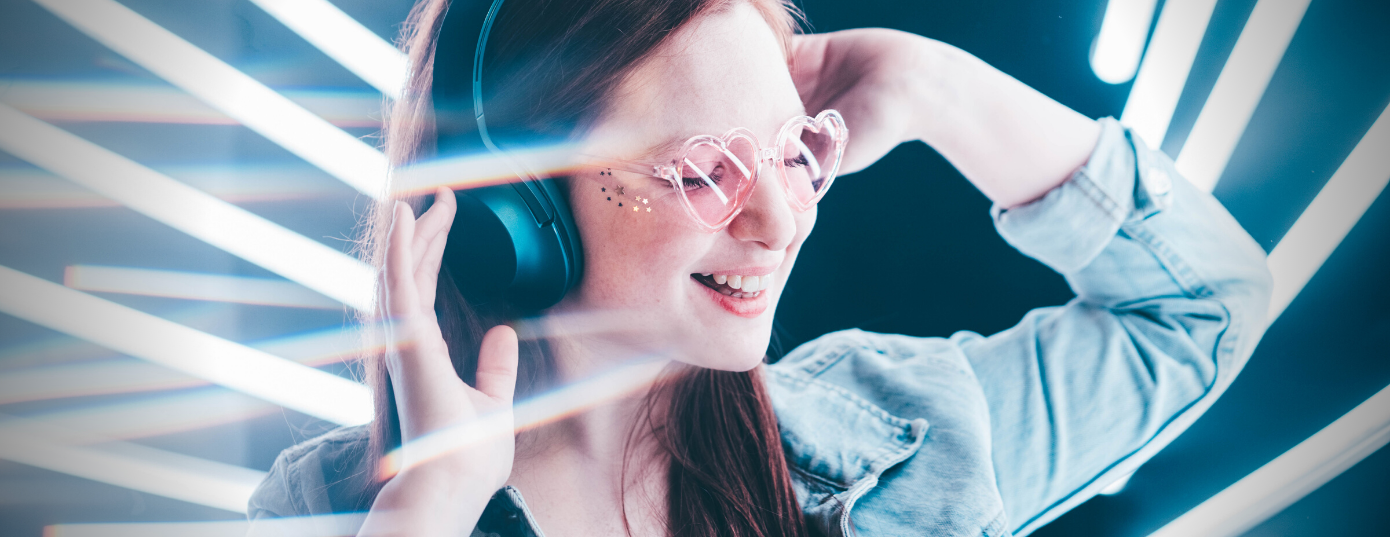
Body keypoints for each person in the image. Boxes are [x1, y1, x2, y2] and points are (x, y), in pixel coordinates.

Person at [247, 0, 1273, 535]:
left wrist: (929, 88)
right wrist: (430, 513)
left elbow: (1200, 308)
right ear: (515, 209)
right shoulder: (335, 513)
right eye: (702, 171)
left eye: (794, 151)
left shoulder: (906, 443)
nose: (780, 221)